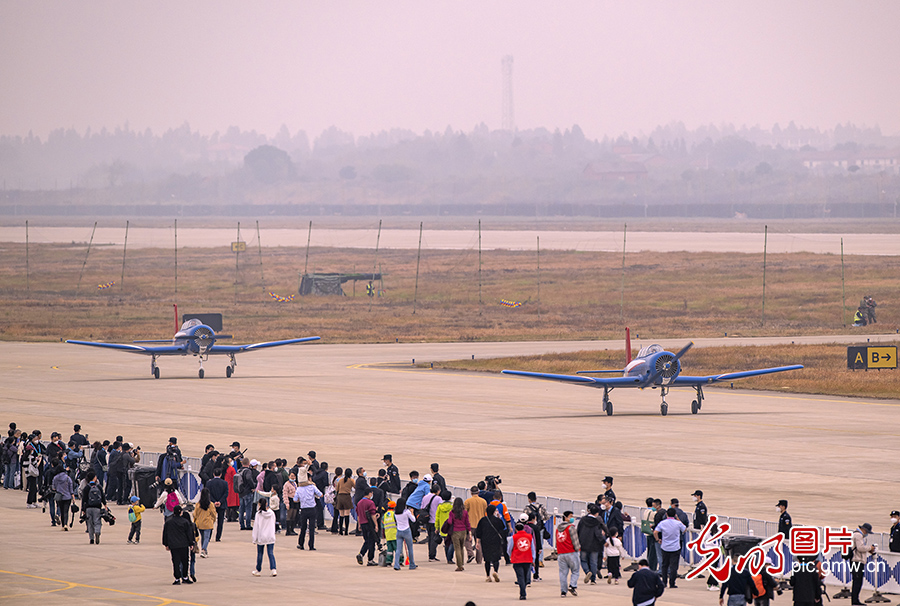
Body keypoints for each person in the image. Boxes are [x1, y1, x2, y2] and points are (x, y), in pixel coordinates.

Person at [654, 507, 686, 589]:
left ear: (666, 514)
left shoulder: (663, 523)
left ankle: (664, 582)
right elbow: (684, 529)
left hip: (665, 546)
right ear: (675, 515)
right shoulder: (678, 523)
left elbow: (655, 532)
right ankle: (672, 583)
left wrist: (658, 539)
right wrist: (678, 519)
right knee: (673, 566)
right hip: (675, 547)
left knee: (664, 565)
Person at [163, 504, 195, 584]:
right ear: (181, 512)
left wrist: (166, 544)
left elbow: (165, 533)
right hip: (184, 544)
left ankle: (177, 578)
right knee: (185, 561)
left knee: (175, 561)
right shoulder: (185, 522)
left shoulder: (169, 522)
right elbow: (189, 534)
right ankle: (185, 576)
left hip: (173, 545)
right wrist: (191, 543)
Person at [476, 504, 507, 582]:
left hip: (485, 541)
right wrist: (499, 517)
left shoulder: (483, 520)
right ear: (494, 511)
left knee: (487, 559)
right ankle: (495, 571)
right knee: (496, 558)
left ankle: (488, 576)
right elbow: (503, 527)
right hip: (496, 541)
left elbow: (478, 532)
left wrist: (477, 542)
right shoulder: (497, 520)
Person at [578, 504, 607, 584]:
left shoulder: (583, 520)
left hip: (584, 544)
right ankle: (593, 579)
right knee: (593, 562)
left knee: (583, 560)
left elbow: (578, 531)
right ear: (597, 513)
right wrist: (603, 542)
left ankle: (587, 572)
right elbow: (598, 534)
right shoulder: (597, 522)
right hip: (594, 545)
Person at [525, 492, 550, 579]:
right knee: (540, 543)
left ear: (529, 499)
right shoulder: (541, 507)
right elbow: (547, 517)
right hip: (540, 528)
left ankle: (531, 558)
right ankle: (539, 560)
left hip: (530, 528)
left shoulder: (527, 508)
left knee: (531, 543)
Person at [556, 510, 581, 597]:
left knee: (563, 573)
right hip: (571, 552)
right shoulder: (571, 528)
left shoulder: (558, 529)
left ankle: (563, 591)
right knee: (575, 570)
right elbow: (575, 541)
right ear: (565, 517)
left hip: (561, 553)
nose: (572, 518)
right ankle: (572, 585)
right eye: (570, 516)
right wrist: (578, 549)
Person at [294, 473, 323, 550]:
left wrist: (301, 499)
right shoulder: (312, 487)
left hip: (303, 509)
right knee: (311, 528)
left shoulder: (299, 489)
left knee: (303, 527)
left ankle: (301, 544)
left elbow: (295, 499)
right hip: (312, 508)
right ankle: (311, 545)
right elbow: (320, 494)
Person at [850, 522, 876, 605]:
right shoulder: (858, 535)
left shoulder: (856, 534)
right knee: (857, 582)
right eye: (867, 532)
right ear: (864, 530)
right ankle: (855, 601)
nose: (867, 534)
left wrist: (868, 550)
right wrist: (870, 548)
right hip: (857, 561)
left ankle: (855, 600)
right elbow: (860, 548)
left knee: (857, 581)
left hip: (856, 561)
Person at [509, 521, 536, 600]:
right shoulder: (529, 537)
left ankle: (522, 593)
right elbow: (533, 549)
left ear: (516, 529)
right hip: (527, 559)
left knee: (520, 577)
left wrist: (511, 555)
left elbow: (509, 549)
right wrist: (533, 559)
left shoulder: (513, 537)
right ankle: (523, 592)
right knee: (525, 576)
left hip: (517, 560)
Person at [251, 498, 277, 577]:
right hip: (270, 535)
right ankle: (273, 569)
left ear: (259, 504)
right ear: (266, 503)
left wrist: (254, 538)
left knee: (260, 553)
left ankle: (258, 570)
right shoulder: (271, 513)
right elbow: (273, 523)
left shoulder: (258, 514)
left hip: (261, 536)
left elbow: (256, 526)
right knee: (270, 553)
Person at [355, 486, 379, 566]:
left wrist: (359, 524)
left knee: (367, 540)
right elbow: (373, 515)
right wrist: (376, 525)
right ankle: (369, 559)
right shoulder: (370, 503)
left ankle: (361, 554)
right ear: (369, 494)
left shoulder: (359, 503)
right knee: (371, 541)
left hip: (362, 523)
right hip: (369, 524)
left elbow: (358, 515)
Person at [447, 496, 472, 571]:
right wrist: (469, 532)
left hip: (455, 531)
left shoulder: (452, 512)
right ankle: (462, 563)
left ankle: (459, 565)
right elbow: (467, 522)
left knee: (457, 548)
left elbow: (449, 522)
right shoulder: (465, 512)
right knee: (461, 548)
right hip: (463, 531)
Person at [464, 486, 487, 564]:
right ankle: (479, 559)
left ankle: (470, 553)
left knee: (467, 540)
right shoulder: (483, 501)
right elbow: (485, 512)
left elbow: (464, 513)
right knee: (479, 542)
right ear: (478, 492)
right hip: (481, 525)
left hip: (470, 524)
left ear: (471, 493)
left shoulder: (467, 501)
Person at [393, 498, 418, 570]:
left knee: (398, 549)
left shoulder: (395, 512)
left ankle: (396, 565)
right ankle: (412, 564)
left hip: (399, 530)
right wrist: (412, 512)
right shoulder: (406, 512)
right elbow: (413, 520)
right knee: (410, 548)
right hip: (406, 530)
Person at [82, 474, 106, 544]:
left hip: (88, 508)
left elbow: (84, 499)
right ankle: (97, 532)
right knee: (97, 522)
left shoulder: (86, 487)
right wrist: (105, 505)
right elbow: (103, 497)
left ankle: (91, 539)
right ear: (94, 478)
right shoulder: (98, 486)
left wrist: (83, 509)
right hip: (97, 507)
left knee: (90, 523)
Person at [206, 467, 229, 542]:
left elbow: (208, 494)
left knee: (210, 521)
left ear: (213, 474)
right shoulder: (224, 483)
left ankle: (208, 536)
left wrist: (214, 501)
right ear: (221, 474)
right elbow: (226, 493)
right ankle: (218, 537)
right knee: (220, 522)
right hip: (222, 504)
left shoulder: (209, 483)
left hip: (212, 504)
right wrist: (220, 501)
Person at [52, 464, 75, 532]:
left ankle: (62, 525)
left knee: (61, 511)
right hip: (67, 497)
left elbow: (53, 487)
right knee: (66, 511)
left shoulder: (55, 478)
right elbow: (71, 487)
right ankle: (65, 524)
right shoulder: (67, 478)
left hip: (59, 497)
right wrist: (72, 495)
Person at [194, 488, 216, 557]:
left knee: (203, 537)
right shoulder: (210, 504)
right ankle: (204, 550)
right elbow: (213, 514)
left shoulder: (198, 504)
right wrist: (213, 520)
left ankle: (204, 550)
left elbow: (195, 514)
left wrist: (195, 521)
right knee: (207, 538)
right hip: (208, 523)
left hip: (200, 523)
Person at [237, 459, 257, 531]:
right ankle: (248, 524)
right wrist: (253, 486)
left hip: (241, 492)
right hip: (247, 491)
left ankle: (242, 524)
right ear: (248, 463)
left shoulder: (239, 470)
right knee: (248, 508)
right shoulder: (247, 471)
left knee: (241, 509)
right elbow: (249, 478)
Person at [335, 467, 354, 536]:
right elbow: (355, 487)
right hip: (347, 497)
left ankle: (340, 530)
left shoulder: (340, 480)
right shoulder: (351, 480)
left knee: (341, 514)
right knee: (347, 514)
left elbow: (337, 489)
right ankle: (346, 530)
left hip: (340, 496)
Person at [383, 500, 398, 565]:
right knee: (398, 549)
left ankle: (388, 562)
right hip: (395, 534)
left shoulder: (385, 515)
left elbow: (383, 525)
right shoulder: (395, 514)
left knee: (389, 550)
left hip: (388, 535)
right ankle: (399, 561)